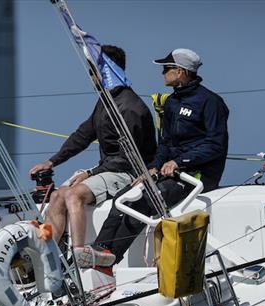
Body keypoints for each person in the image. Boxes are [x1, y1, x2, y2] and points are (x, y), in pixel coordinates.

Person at [91, 48, 229, 271]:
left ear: (181, 72)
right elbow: (165, 143)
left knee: (146, 200)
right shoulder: (172, 103)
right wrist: (151, 168)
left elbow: (216, 145)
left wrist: (180, 162)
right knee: (123, 196)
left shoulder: (210, 102)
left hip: (198, 175)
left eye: (167, 68)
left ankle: (112, 256)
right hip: (169, 173)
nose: (162, 73)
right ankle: (101, 249)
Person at [28, 44, 156, 267]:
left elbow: (128, 158)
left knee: (73, 195)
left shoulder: (130, 107)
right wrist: (52, 161)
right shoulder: (105, 101)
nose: (90, 76)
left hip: (127, 174)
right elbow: (83, 135)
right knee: (57, 196)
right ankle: (48, 255)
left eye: (93, 70)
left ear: (108, 71)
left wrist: (90, 173)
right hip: (107, 170)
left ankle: (80, 253)